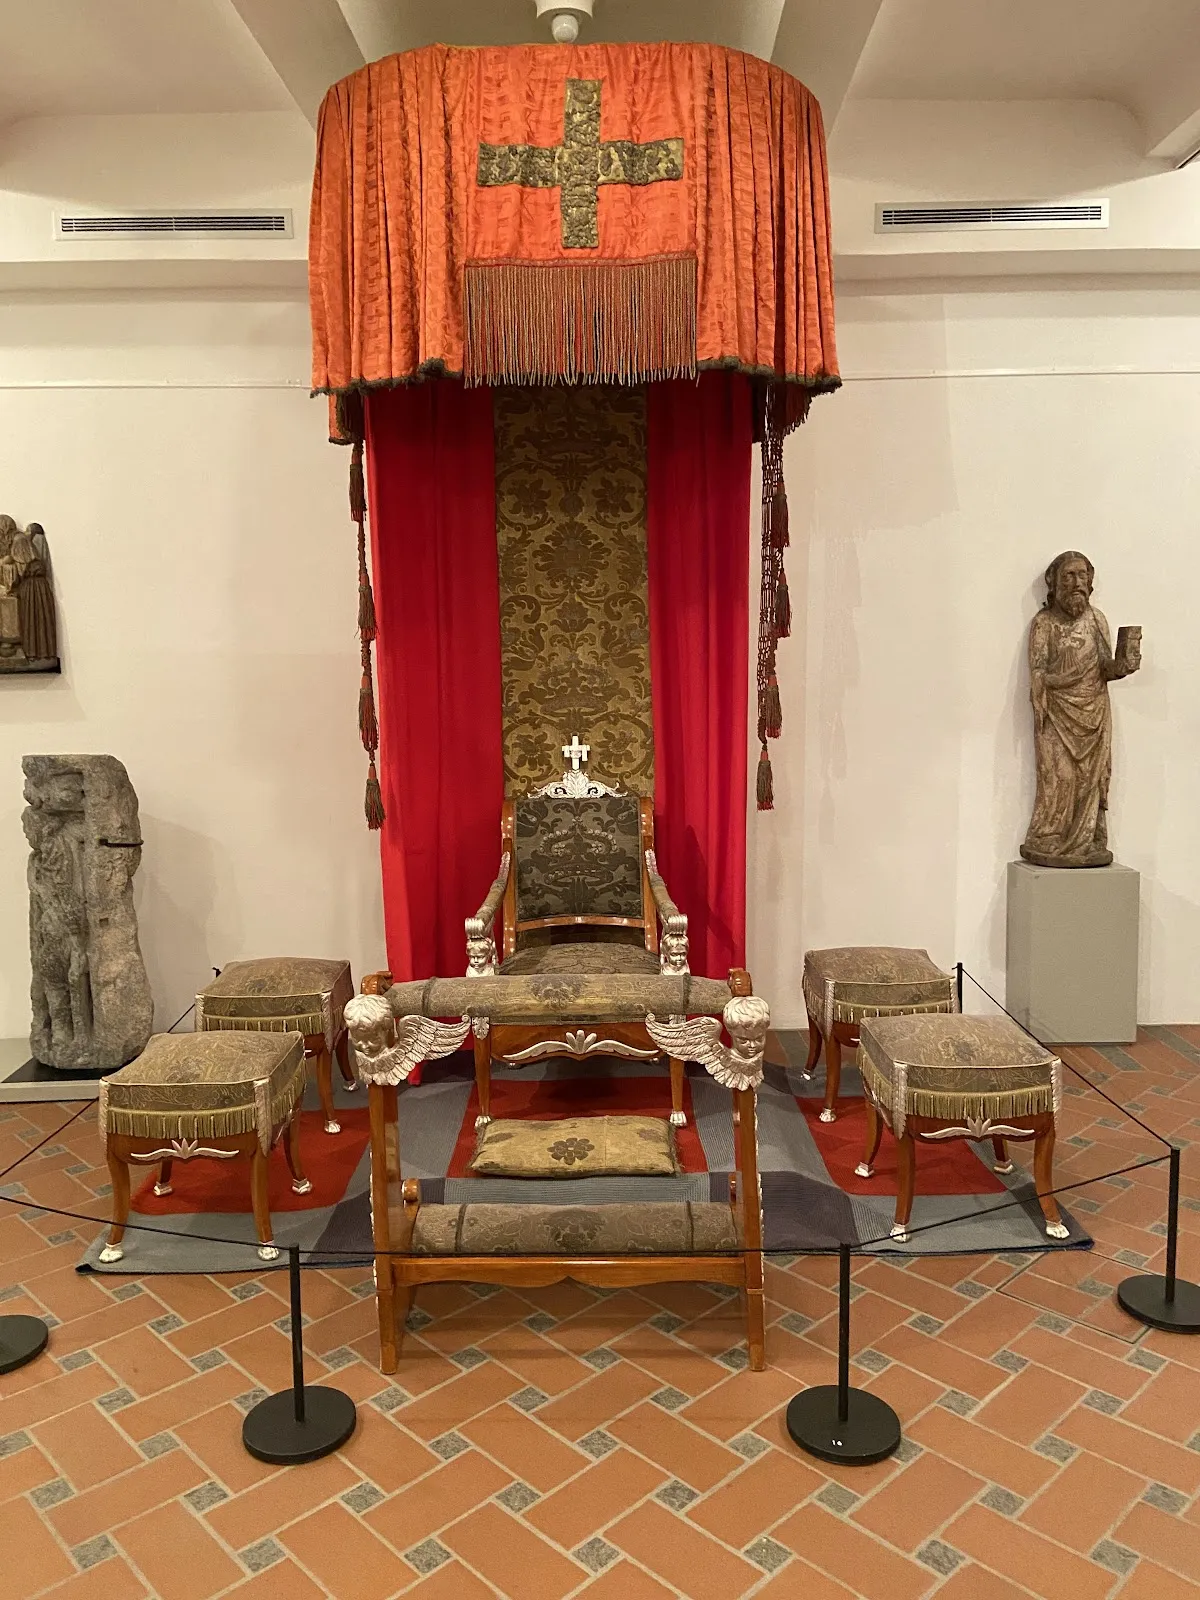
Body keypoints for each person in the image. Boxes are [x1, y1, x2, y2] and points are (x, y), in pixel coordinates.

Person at [1021, 550, 1141, 868]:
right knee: (1057, 776)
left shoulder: (1096, 620)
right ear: (1055, 583)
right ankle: (1049, 836)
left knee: (1091, 778)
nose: (1077, 583)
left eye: (1082, 575)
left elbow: (1104, 667)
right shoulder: (1044, 623)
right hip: (1057, 713)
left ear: (1090, 581)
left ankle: (1089, 839)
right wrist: (1064, 678)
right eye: (1069, 576)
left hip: (1094, 713)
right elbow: (1037, 672)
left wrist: (1123, 665)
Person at [15, 522, 56, 662]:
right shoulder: (35, 560)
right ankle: (42, 653)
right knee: (36, 620)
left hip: (31, 590)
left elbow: (19, 573)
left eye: (28, 532)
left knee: (34, 620)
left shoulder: (23, 551)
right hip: (39, 589)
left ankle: (35, 653)